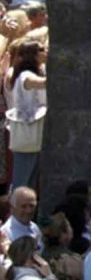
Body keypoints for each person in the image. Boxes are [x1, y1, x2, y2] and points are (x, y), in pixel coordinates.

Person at [4, 40, 47, 191]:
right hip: (26, 137)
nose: (45, 52)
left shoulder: (39, 71)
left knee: (32, 183)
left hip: (36, 137)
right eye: (41, 50)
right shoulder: (25, 76)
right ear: (32, 55)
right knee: (21, 183)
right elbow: (42, 83)